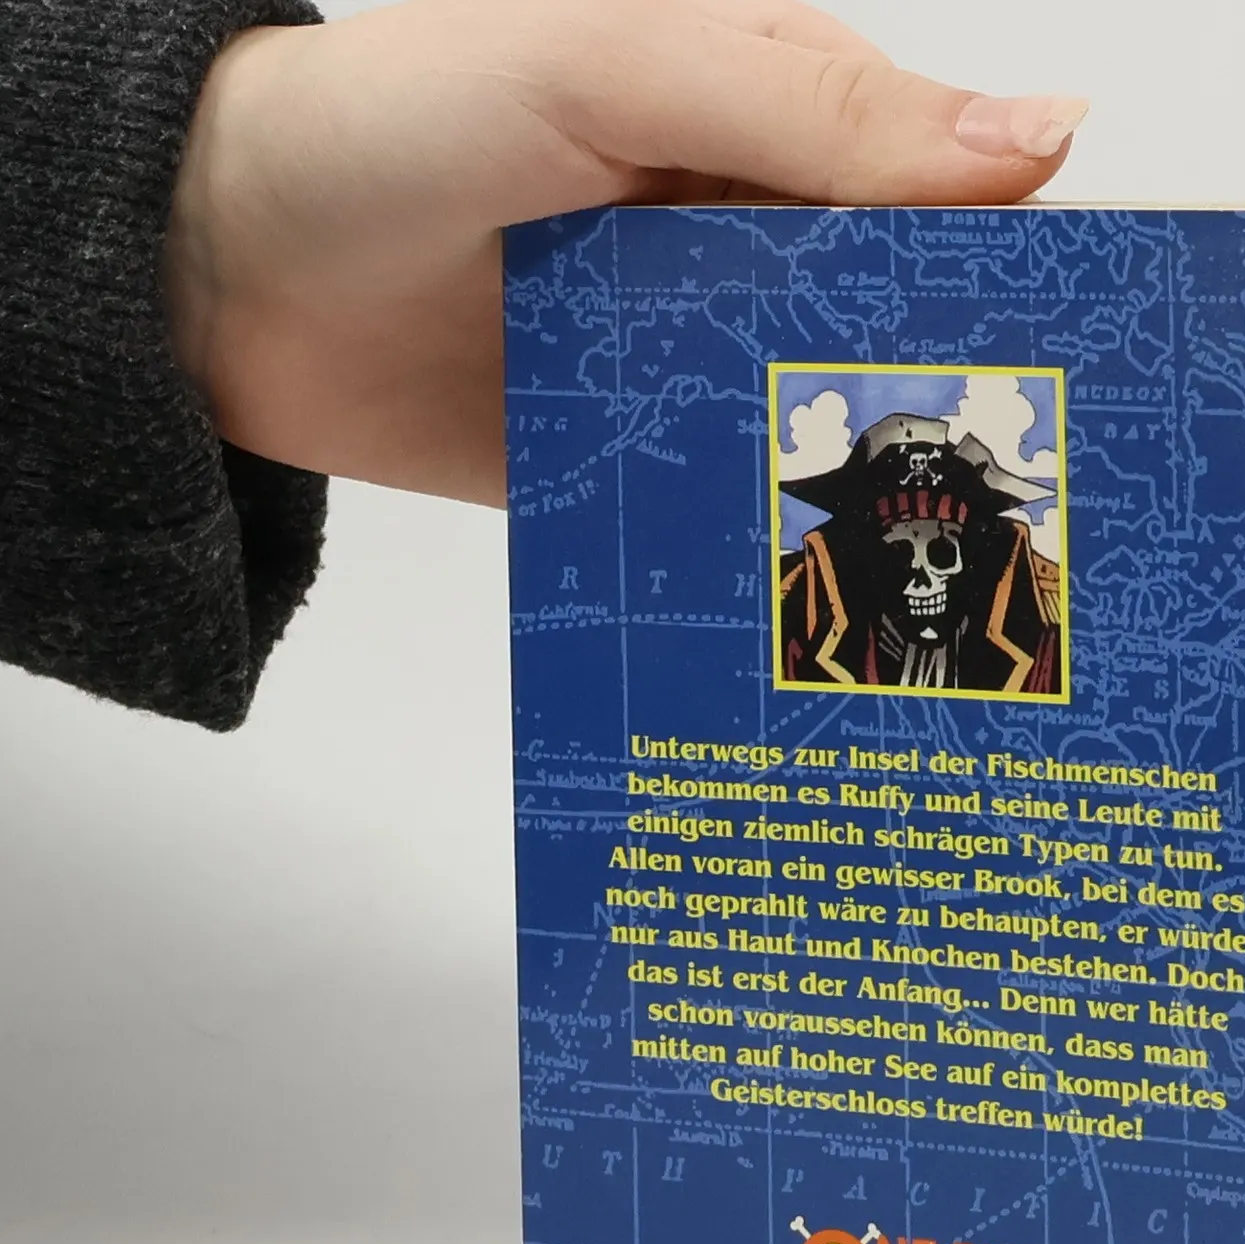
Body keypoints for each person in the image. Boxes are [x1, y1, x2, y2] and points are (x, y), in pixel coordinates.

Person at [0, 0, 1084, 730]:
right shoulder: (819, 611)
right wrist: (207, 211)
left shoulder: (1020, 621)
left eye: (948, 540)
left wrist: (216, 220)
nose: (928, 569)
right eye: (904, 539)